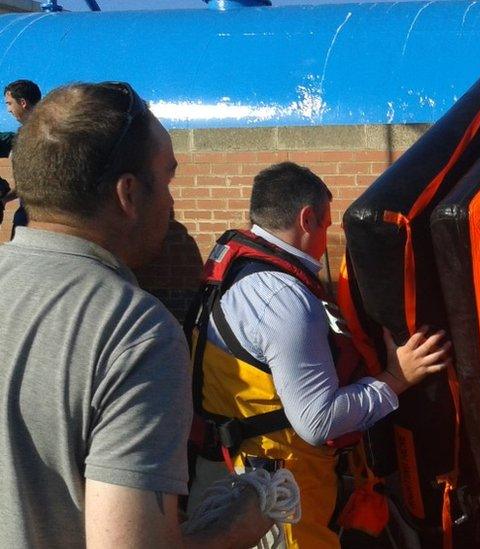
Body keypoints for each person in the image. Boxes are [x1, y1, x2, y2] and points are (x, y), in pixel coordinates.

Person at [0, 82, 269, 548]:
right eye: (166, 180)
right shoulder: (134, 331)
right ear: (128, 194)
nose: (170, 203)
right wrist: (236, 527)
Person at [188, 161, 453, 548]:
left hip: (227, 476)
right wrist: (398, 378)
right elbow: (318, 420)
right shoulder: (283, 298)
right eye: (327, 224)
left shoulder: (235, 271)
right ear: (307, 218)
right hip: (277, 499)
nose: (327, 236)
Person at [1, 79, 42, 235]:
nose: (8, 110)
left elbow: (34, 182)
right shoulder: (29, 133)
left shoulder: (39, 135)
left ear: (23, 102)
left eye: (9, 103)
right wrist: (5, 199)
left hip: (34, 217)